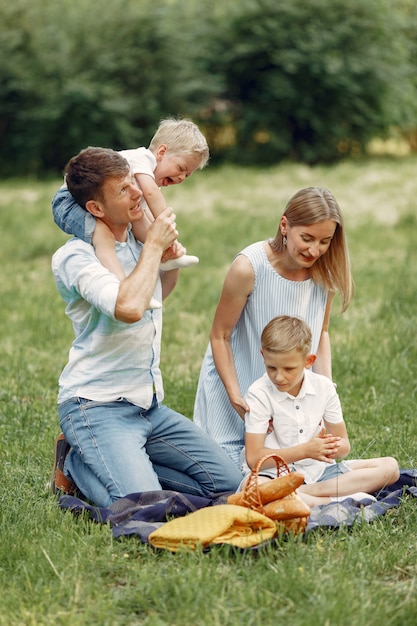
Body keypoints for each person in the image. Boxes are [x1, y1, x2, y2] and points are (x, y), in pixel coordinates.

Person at [50, 146, 242, 508]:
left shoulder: (137, 244)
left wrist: (165, 260)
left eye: (133, 182)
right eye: (123, 190)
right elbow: (129, 308)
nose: (139, 191)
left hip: (148, 405)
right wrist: (154, 246)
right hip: (97, 406)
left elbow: (158, 294)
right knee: (146, 508)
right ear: (95, 209)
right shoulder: (75, 257)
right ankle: (76, 463)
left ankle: (121, 462)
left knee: (229, 486)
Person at [194, 186, 354, 468]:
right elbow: (220, 336)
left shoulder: (324, 272)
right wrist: (235, 397)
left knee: (295, 467)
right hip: (239, 384)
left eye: (325, 241)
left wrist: (325, 387)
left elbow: (322, 333)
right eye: (306, 238)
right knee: (231, 476)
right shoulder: (249, 268)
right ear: (284, 225)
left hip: (289, 388)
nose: (315, 250)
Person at [241, 315, 400, 506]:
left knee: (390, 467)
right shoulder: (258, 393)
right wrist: (306, 450)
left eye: (289, 368)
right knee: (254, 488)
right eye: (271, 367)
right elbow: (253, 458)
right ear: (262, 355)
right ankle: (335, 500)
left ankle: (305, 494)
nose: (279, 376)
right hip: (273, 474)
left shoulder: (323, 387)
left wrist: (326, 447)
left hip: (319, 473)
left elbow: (344, 445)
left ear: (309, 360)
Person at [52, 118, 209, 309]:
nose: (182, 177)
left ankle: (167, 257)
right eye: (181, 168)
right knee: (102, 235)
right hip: (69, 200)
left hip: (92, 197)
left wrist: (168, 244)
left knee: (143, 220)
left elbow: (145, 217)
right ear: (161, 152)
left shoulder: (147, 179)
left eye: (188, 174)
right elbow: (151, 196)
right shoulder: (142, 160)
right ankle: (121, 288)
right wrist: (166, 222)